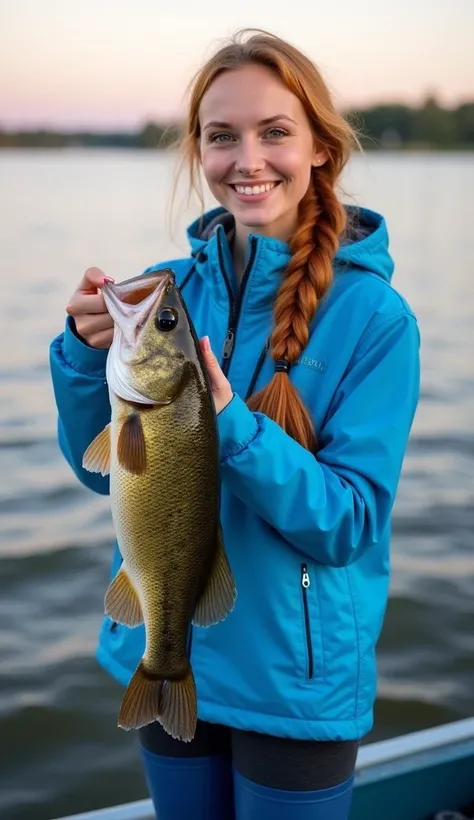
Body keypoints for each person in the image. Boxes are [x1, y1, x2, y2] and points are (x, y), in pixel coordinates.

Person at [49, 28, 420, 820]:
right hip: (166, 650)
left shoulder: (374, 318)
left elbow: (349, 522)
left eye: (274, 132)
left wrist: (232, 425)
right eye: (223, 136)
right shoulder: (169, 291)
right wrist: (84, 358)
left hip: (294, 678)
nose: (248, 159)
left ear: (320, 146)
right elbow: (100, 470)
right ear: (199, 151)